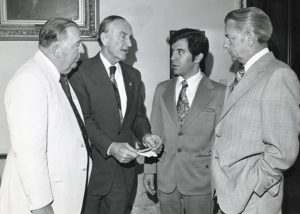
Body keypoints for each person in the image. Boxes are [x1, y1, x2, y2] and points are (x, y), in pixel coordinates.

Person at [69, 15, 162, 214]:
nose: (129, 43)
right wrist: (111, 147)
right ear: (104, 38)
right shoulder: (80, 72)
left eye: (131, 38)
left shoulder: (133, 76)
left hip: (123, 176)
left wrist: (146, 135)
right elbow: (84, 120)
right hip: (91, 174)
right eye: (123, 37)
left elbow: (137, 116)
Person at [211, 7, 300, 214]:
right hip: (229, 196)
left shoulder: (278, 75)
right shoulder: (243, 75)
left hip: (253, 201)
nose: (225, 45)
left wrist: (251, 187)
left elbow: (282, 151)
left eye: (229, 38)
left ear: (249, 37)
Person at [0, 17, 91, 214]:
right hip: (41, 204)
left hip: (61, 196)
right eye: (77, 45)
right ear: (57, 49)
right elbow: (29, 153)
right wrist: (41, 206)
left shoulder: (56, 78)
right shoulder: (30, 80)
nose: (81, 51)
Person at [143, 28, 226, 214]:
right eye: (172, 52)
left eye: (180, 52)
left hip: (201, 181)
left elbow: (223, 142)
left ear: (197, 57)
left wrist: (223, 182)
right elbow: (155, 131)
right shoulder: (162, 89)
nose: (173, 57)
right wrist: (149, 170)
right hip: (166, 180)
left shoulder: (220, 93)